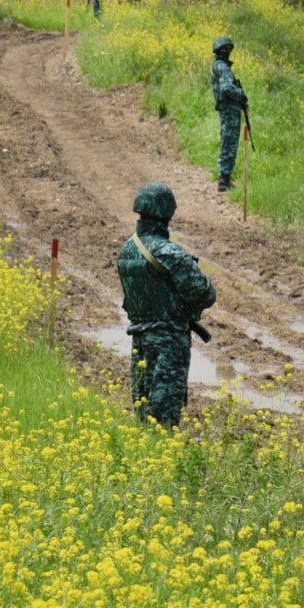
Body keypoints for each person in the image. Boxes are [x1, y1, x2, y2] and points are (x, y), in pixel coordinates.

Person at [116, 183, 217, 428]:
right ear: (167, 212)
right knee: (163, 417)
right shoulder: (169, 252)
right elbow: (205, 293)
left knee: (143, 411)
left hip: (139, 339)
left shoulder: (127, 249)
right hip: (169, 343)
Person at [210, 36, 247, 192]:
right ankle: (224, 180)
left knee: (228, 141)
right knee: (229, 142)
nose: (227, 52)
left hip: (227, 110)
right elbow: (226, 88)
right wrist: (241, 94)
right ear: (219, 51)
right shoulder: (223, 67)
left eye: (229, 49)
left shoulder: (218, 65)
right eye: (224, 49)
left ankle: (225, 177)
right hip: (229, 110)